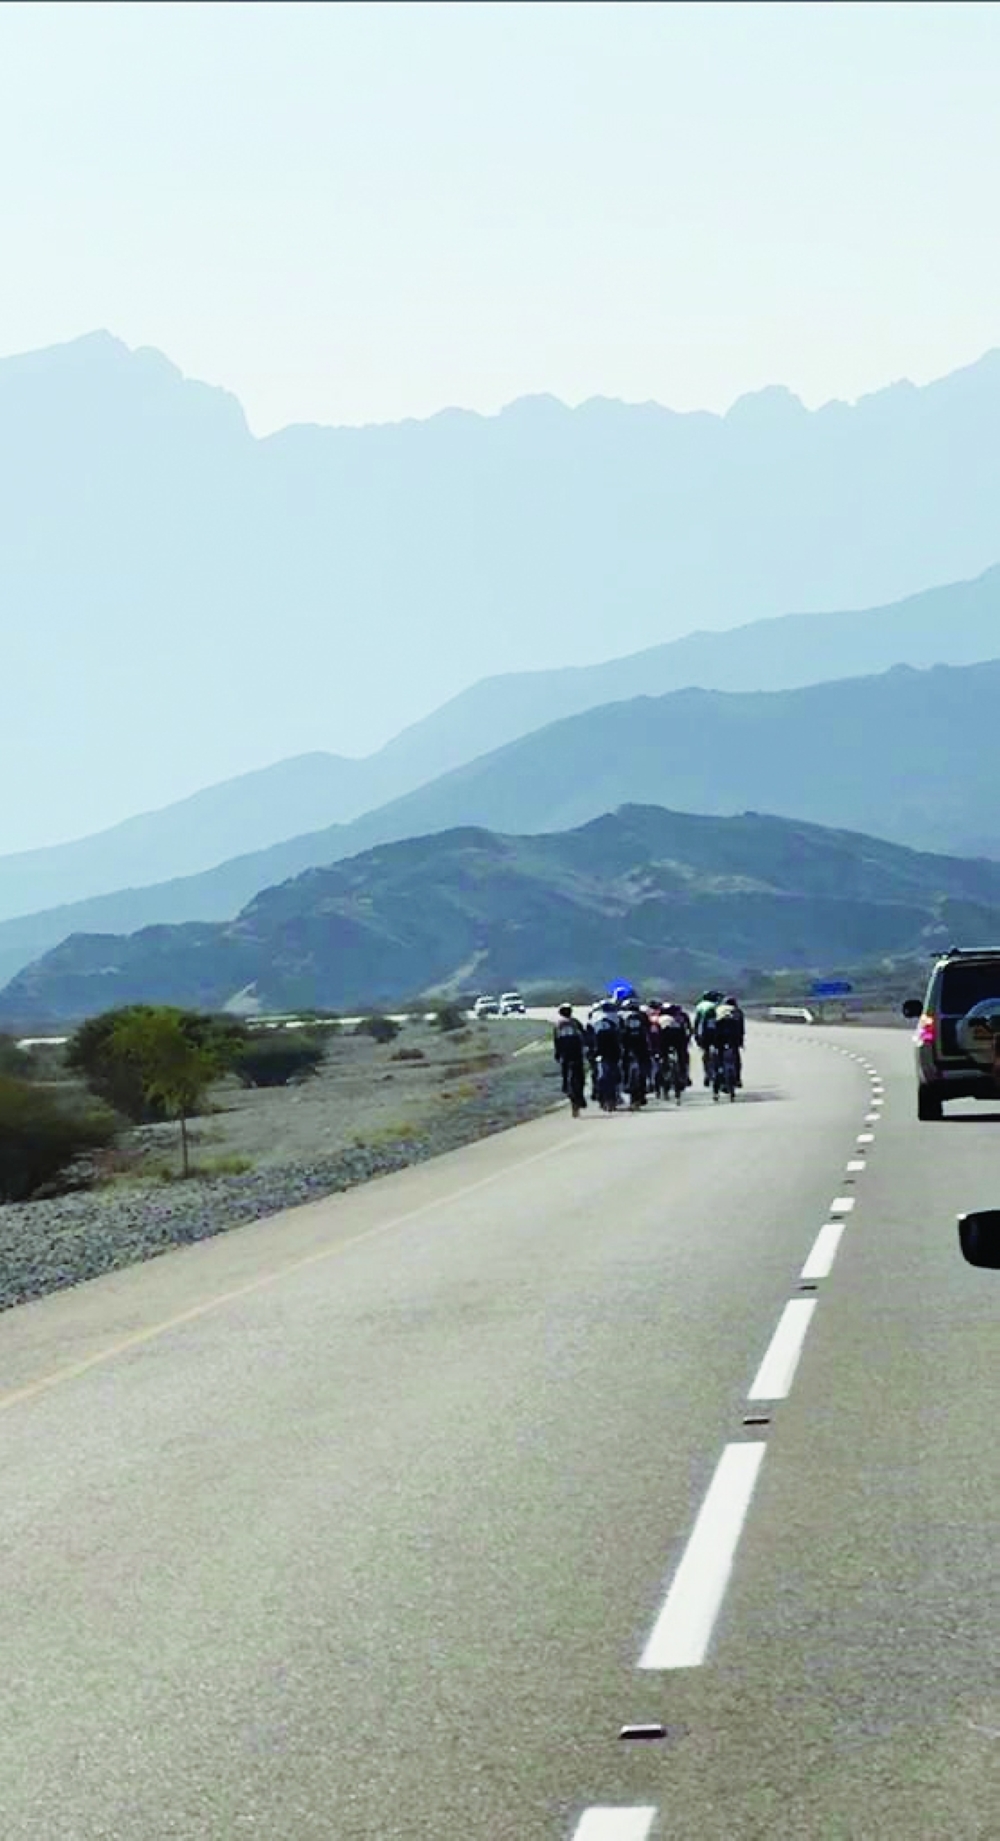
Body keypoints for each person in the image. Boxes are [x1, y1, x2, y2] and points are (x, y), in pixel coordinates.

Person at [553, 1002, 588, 1116]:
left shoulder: (558, 1024)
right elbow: (584, 1037)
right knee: (580, 1077)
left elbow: (556, 1041)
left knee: (565, 1075)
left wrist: (557, 1053)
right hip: (576, 1054)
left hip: (565, 1055)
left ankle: (567, 1090)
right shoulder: (575, 1022)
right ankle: (579, 1097)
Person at [588, 1001, 622, 1109]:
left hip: (602, 1051)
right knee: (612, 1073)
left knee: (598, 1074)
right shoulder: (616, 1018)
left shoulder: (594, 1019)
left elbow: (588, 1037)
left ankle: (600, 1095)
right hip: (611, 1051)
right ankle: (612, 1096)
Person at [620, 998, 651, 1105]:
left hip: (627, 1046)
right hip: (641, 1045)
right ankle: (645, 1087)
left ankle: (625, 1085)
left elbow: (618, 1032)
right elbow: (649, 1031)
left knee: (624, 1066)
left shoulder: (622, 1016)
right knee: (644, 1067)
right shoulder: (643, 1016)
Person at [712, 995, 746, 1087]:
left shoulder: (718, 1009)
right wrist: (741, 1042)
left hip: (720, 1031)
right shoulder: (738, 1011)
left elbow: (713, 1024)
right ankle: (737, 1078)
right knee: (735, 1055)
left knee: (718, 1053)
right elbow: (741, 1028)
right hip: (733, 1033)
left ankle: (718, 1071)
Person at [693, 991, 723, 1086]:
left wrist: (696, 1035)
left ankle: (707, 1074)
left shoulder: (700, 1006)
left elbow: (697, 1022)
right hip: (717, 1031)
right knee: (720, 1051)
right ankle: (720, 1070)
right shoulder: (716, 1006)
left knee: (706, 1052)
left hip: (704, 1032)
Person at [660, 1002, 692, 1088]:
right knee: (682, 1055)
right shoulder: (681, 1017)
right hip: (678, 1039)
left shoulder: (660, 1017)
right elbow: (687, 1030)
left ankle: (666, 1071)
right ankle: (683, 1074)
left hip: (667, 1039)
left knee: (663, 1056)